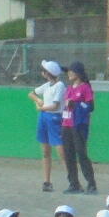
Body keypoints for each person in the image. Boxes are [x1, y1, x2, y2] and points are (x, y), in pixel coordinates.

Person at [29, 60, 67, 192]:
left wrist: (41, 108)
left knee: (61, 151)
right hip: (44, 117)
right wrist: (38, 100)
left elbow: (55, 106)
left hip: (55, 118)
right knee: (45, 151)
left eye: (44, 70)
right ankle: (47, 182)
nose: (42, 72)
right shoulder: (47, 85)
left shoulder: (60, 85)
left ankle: (72, 180)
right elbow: (31, 94)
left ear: (48, 73)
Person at [61, 61, 97, 195]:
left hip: (79, 125)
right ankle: (74, 184)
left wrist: (76, 104)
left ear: (79, 73)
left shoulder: (85, 88)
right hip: (67, 125)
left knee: (81, 154)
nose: (69, 73)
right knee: (68, 155)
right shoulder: (69, 88)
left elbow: (90, 107)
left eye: (72, 71)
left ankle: (91, 184)